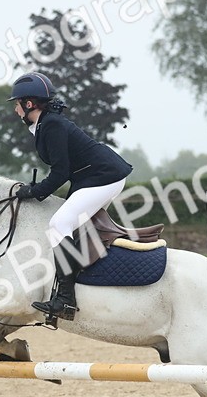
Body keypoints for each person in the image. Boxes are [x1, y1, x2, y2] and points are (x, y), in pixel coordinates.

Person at [9, 72, 132, 321]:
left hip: (104, 176)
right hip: (92, 177)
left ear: (29, 103)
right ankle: (81, 282)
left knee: (59, 223)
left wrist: (34, 191)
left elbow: (60, 172)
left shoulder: (51, 124)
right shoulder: (45, 124)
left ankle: (65, 299)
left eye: (17, 104)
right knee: (73, 226)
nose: (16, 110)